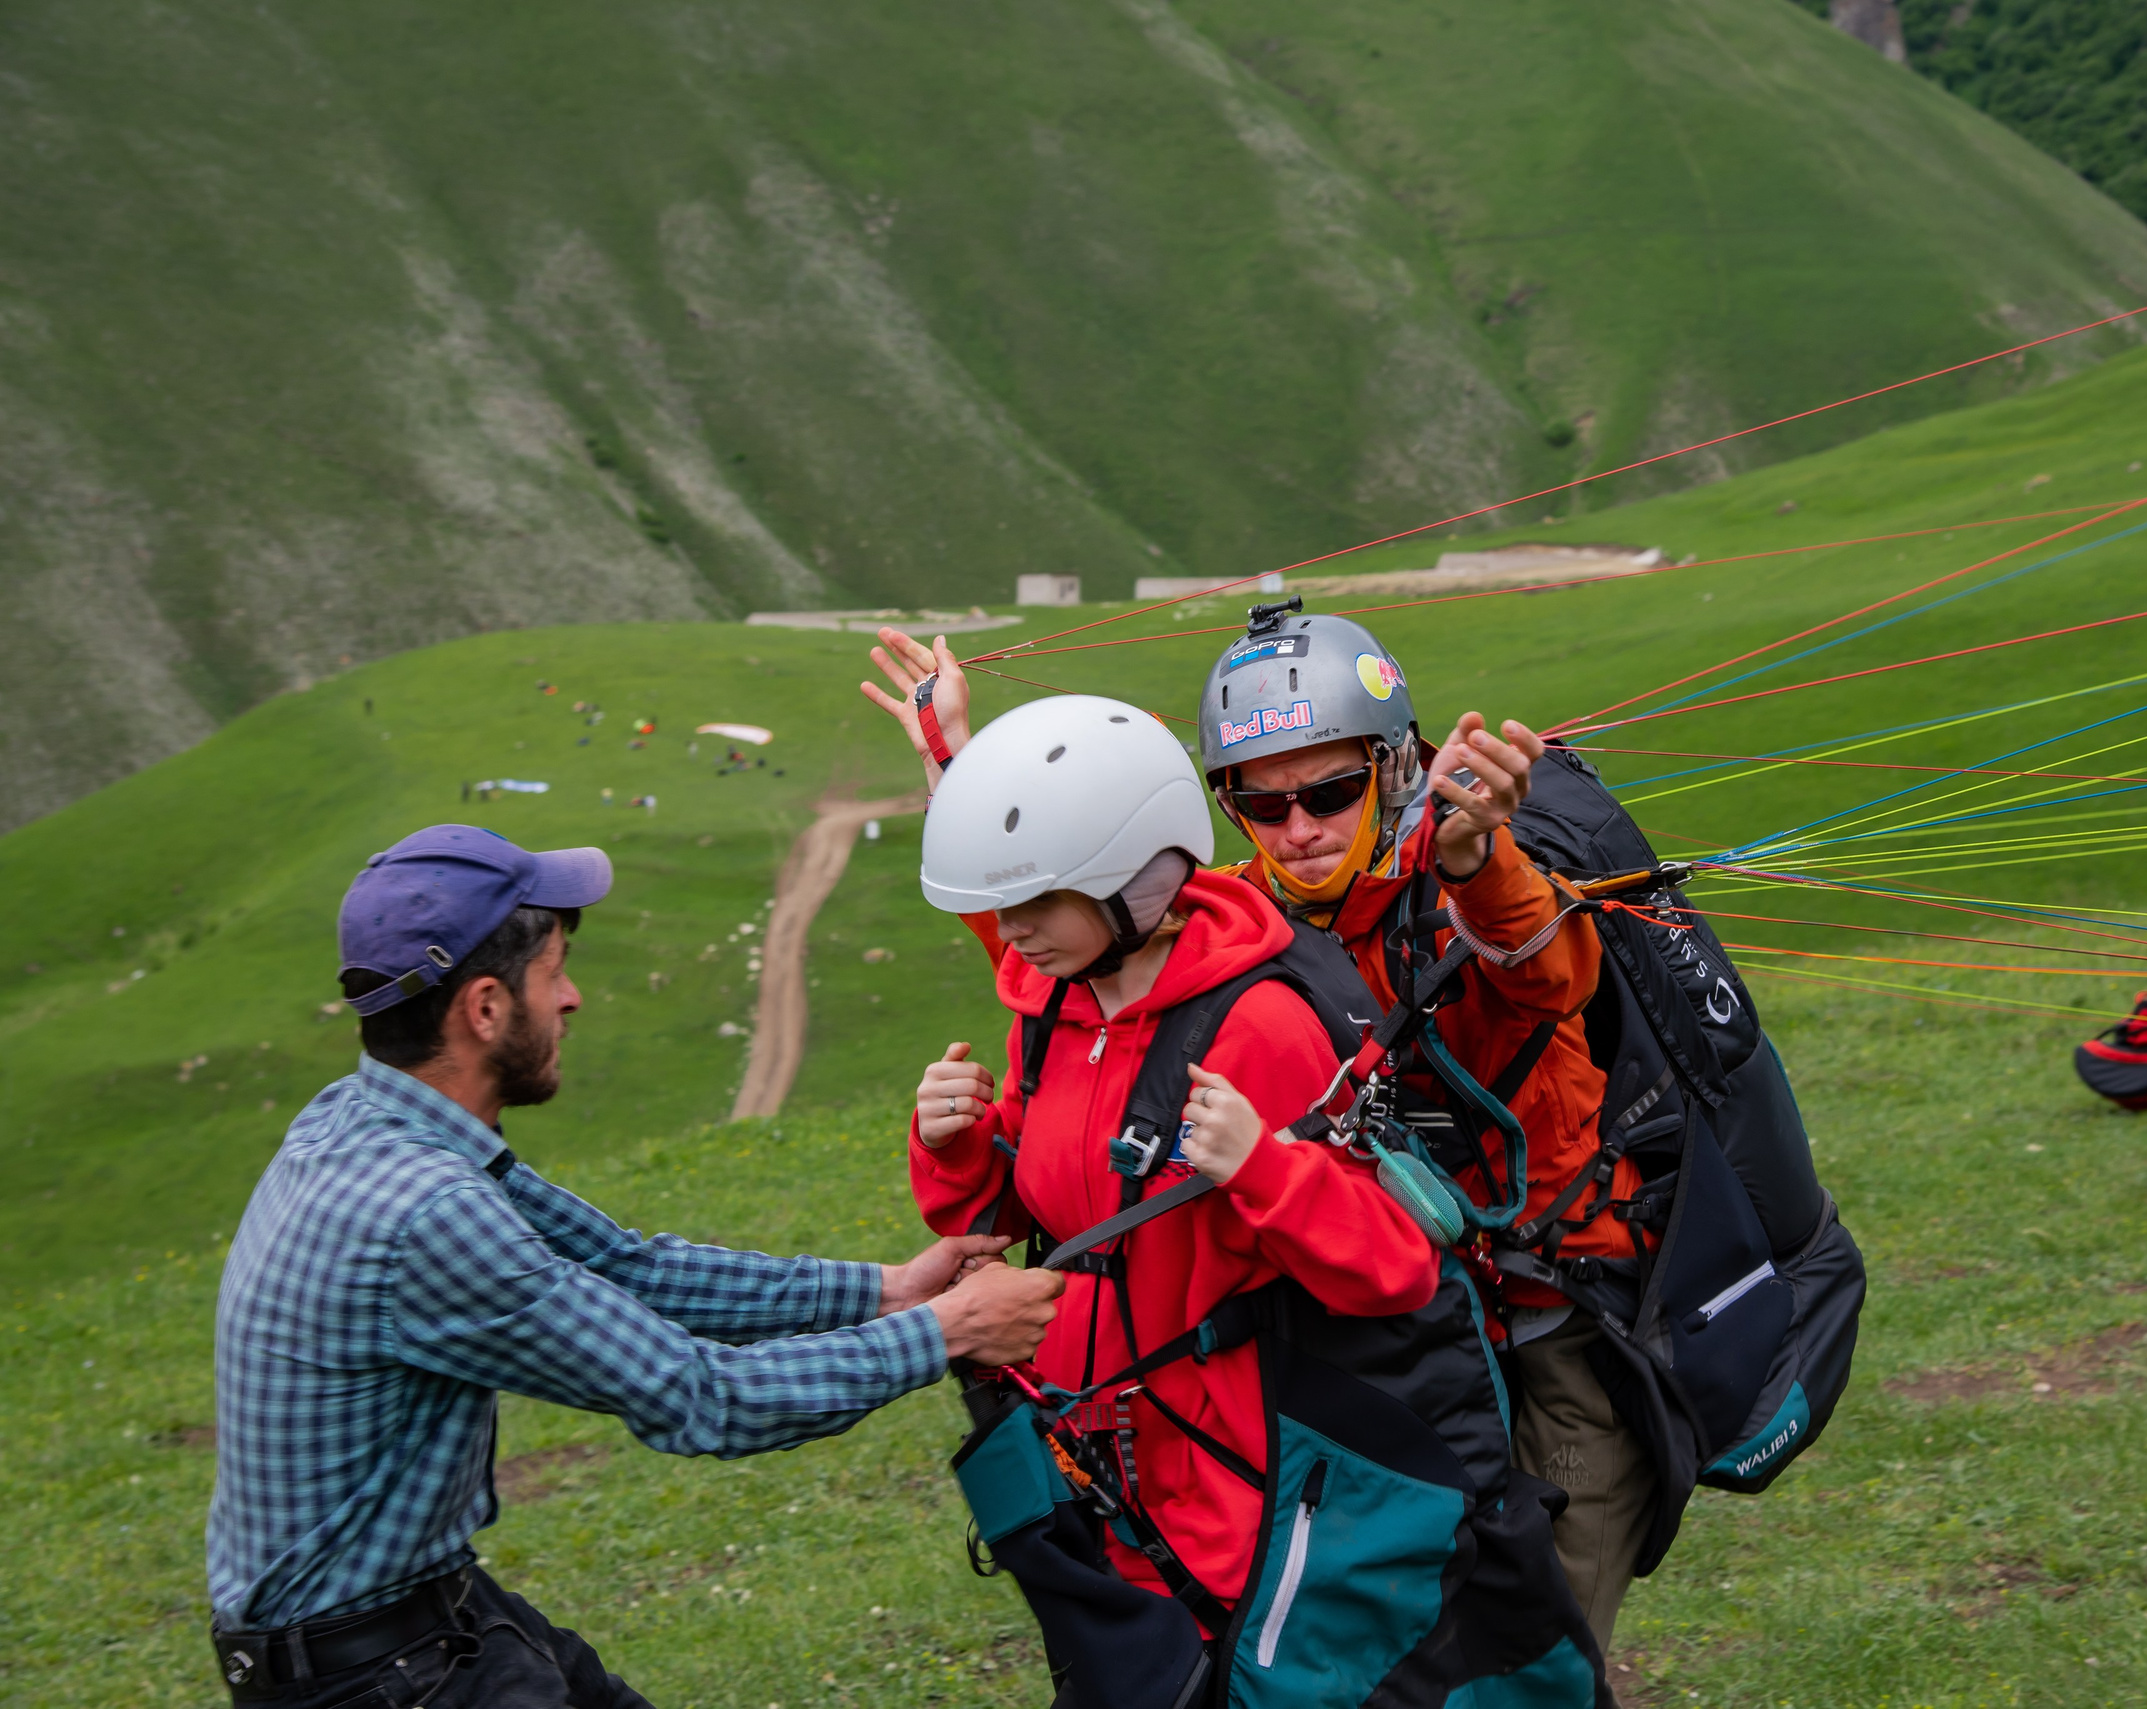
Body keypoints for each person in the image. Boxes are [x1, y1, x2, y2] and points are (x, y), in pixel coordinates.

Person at [867, 617, 1655, 1650]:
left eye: (1330, 793)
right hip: (1365, 1337)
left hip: (1540, 1294)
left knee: (1537, 1632)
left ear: (1392, 768)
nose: (1299, 829)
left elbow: (1550, 978)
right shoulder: (1230, 920)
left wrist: (1474, 860)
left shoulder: (1455, 873)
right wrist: (967, 771)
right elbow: (1069, 931)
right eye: (1262, 804)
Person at [206, 824, 1062, 1709]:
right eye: (555, 971)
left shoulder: (364, 1119)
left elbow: (629, 1268)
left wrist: (890, 1288)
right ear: (486, 1008)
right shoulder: (424, 1211)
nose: (572, 997)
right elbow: (702, 1397)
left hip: (424, 1613)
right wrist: (945, 1331)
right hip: (374, 1674)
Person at [879, 687, 1441, 1637]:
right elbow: (1020, 1212)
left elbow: (1396, 1269)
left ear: (1129, 880)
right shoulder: (1056, 1006)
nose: (1009, 930)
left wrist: (1263, 1168)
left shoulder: (1256, 1023)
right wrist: (956, 1145)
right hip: (1087, 1462)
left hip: (1232, 1492)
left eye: (1036, 899)